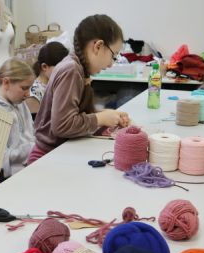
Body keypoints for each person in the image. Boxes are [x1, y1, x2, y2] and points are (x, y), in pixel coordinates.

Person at [28, 14, 130, 164]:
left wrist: (105, 114)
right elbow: (62, 125)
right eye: (113, 56)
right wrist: (100, 118)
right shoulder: (71, 70)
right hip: (46, 158)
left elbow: (71, 112)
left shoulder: (77, 68)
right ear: (98, 46)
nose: (111, 64)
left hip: (57, 152)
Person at [0, 58, 36, 179]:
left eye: (30, 88)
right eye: (24, 88)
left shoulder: (20, 103)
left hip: (29, 166)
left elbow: (31, 133)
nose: (28, 94)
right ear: (6, 82)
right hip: (8, 178)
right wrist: (34, 148)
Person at [25, 41, 69, 118]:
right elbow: (37, 124)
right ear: (44, 67)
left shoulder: (57, 85)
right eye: (60, 68)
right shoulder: (34, 93)